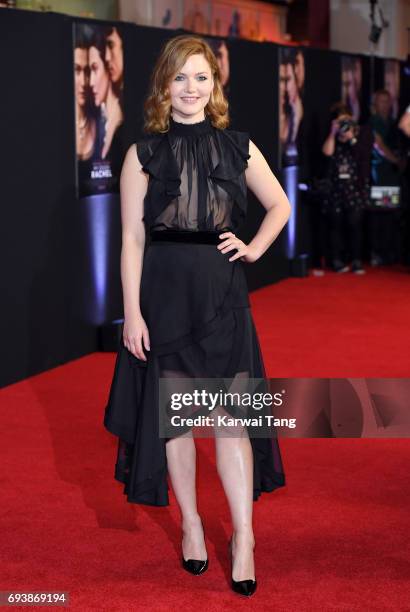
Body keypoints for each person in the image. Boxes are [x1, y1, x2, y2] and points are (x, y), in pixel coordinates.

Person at [103, 34, 291, 597]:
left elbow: (279, 204)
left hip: (222, 295)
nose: (190, 89)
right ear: (164, 84)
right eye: (180, 78)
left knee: (231, 420)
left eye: (201, 78)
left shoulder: (238, 147)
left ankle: (244, 538)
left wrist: (255, 247)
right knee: (177, 424)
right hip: (163, 299)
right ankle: (189, 525)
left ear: (215, 87)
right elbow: (132, 241)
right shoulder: (141, 155)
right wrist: (131, 314)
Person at [322, 102, 373, 274]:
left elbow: (364, 154)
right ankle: (337, 260)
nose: (344, 124)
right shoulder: (333, 135)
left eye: (346, 120)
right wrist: (333, 133)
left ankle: (356, 260)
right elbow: (327, 153)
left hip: (356, 186)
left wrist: (351, 137)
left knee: (355, 224)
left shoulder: (362, 132)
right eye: (340, 121)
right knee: (335, 225)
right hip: (336, 187)